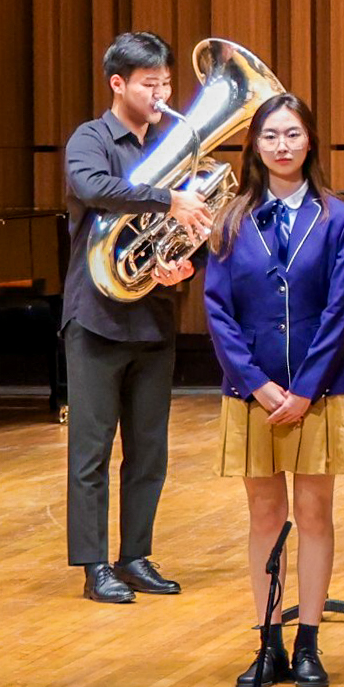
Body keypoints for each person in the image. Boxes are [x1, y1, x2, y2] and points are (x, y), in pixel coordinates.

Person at [206, 94, 344, 687]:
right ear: (254, 145)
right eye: (270, 135)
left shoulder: (338, 218)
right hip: (250, 392)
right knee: (264, 515)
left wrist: (304, 389)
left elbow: (340, 311)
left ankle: (308, 643)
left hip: (317, 391)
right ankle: (268, 642)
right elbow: (218, 310)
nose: (282, 145)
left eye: (293, 134)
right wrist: (257, 383)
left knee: (315, 513)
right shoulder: (229, 218)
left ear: (310, 141)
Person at [63, 30, 207, 604]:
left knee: (149, 450)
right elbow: (92, 187)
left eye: (167, 83)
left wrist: (181, 264)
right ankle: (94, 565)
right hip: (95, 319)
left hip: (152, 317)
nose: (162, 94)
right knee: (91, 450)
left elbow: (192, 228)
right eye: (151, 84)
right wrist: (169, 199)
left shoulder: (175, 143)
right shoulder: (91, 139)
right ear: (118, 84)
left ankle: (135, 556)